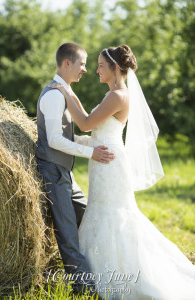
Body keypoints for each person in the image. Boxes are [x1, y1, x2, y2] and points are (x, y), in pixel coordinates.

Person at [49, 44, 195, 300]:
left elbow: (83, 123)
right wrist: (68, 92)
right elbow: (91, 128)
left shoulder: (117, 96)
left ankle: (120, 278)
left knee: (114, 218)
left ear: (115, 68)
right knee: (100, 214)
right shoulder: (112, 94)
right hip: (103, 160)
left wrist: (64, 89)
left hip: (111, 166)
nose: (96, 70)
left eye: (101, 66)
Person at [35, 42, 115, 296]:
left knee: (90, 217)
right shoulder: (52, 95)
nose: (85, 69)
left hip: (65, 174)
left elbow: (68, 135)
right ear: (67, 63)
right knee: (69, 237)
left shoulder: (64, 91)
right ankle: (88, 291)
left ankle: (104, 273)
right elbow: (54, 141)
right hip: (52, 175)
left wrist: (95, 143)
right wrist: (92, 152)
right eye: (82, 64)